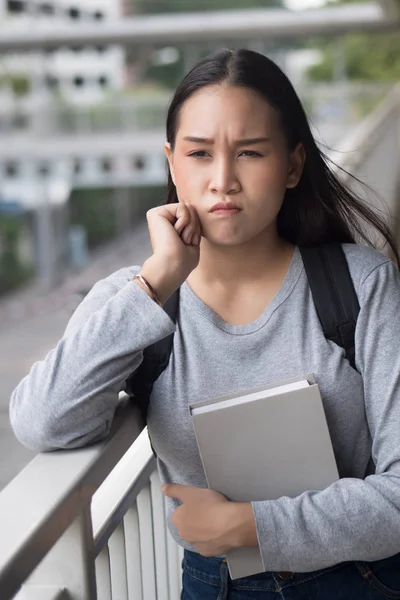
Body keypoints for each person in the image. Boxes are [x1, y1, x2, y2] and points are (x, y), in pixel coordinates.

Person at [9, 48, 400, 599]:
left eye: (249, 153)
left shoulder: (360, 285)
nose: (222, 180)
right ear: (171, 163)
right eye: (198, 154)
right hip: (216, 587)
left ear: (291, 165)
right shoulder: (139, 298)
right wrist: (156, 282)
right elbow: (42, 422)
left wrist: (250, 526)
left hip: (364, 579)